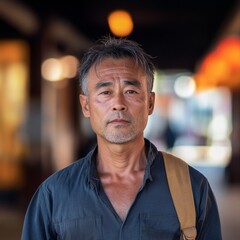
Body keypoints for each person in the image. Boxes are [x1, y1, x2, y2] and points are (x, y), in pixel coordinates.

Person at [21, 35, 222, 240]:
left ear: (150, 103)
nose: (118, 103)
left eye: (131, 91)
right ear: (86, 106)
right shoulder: (53, 195)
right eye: (106, 92)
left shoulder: (192, 188)